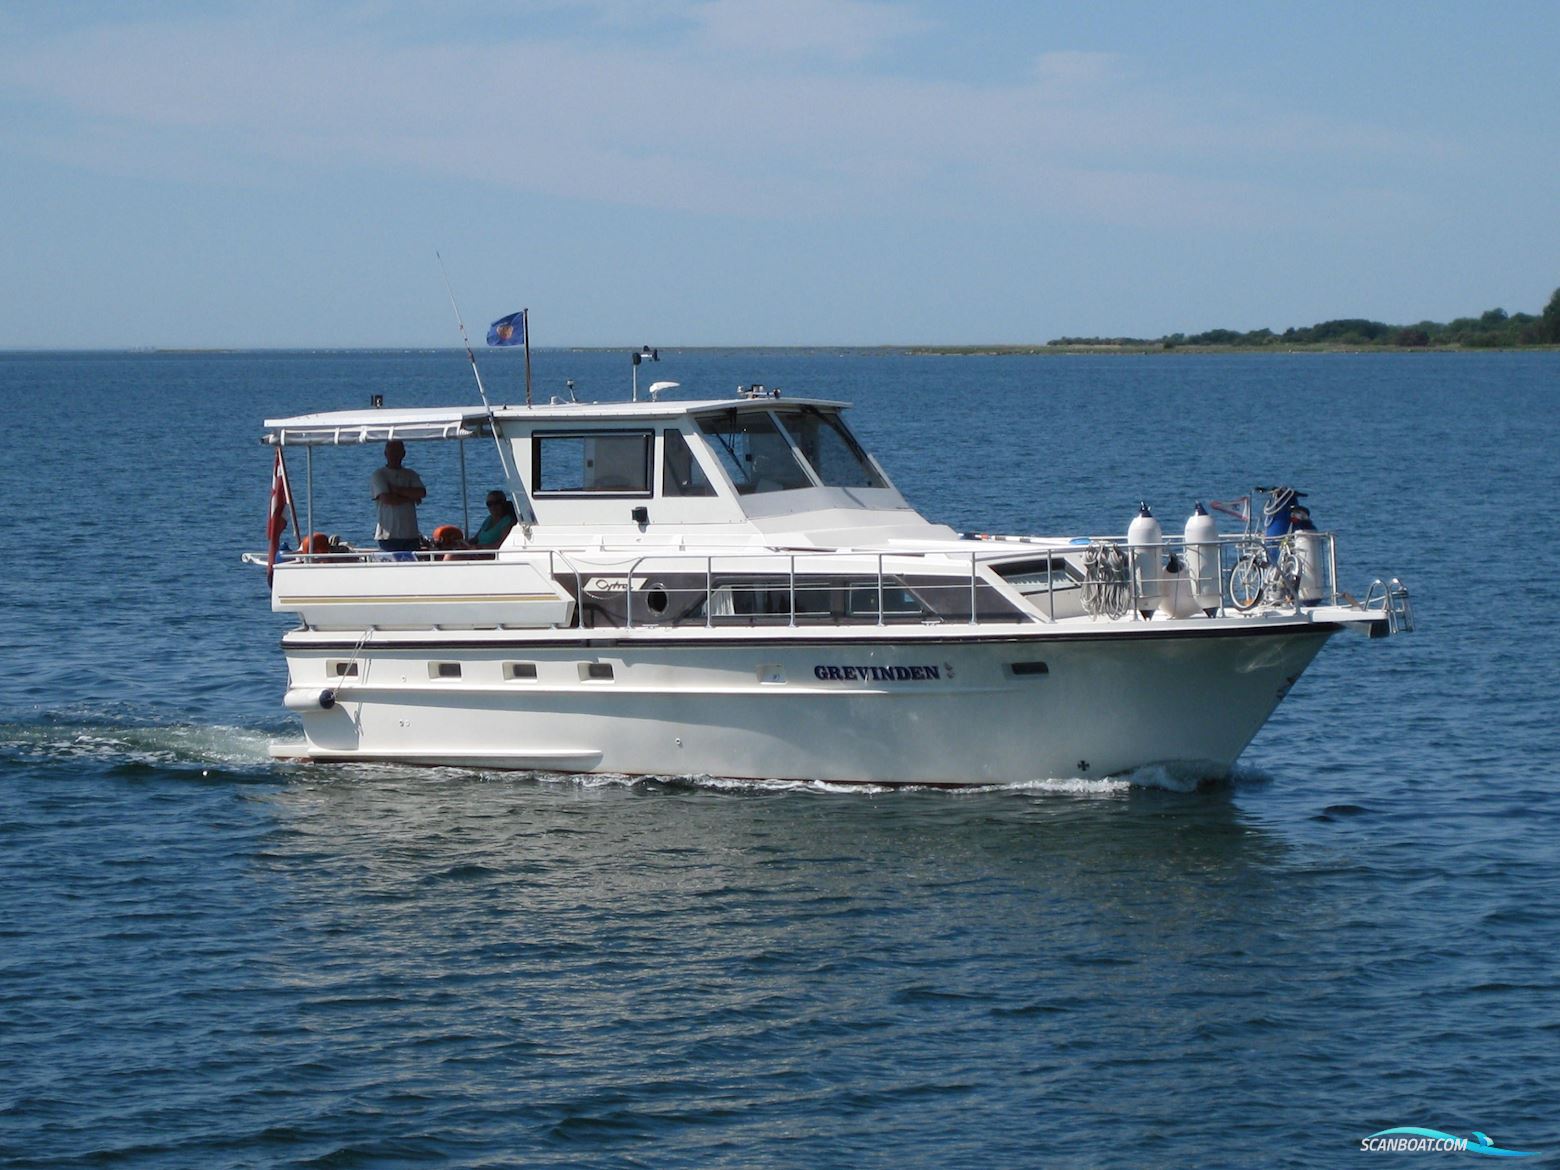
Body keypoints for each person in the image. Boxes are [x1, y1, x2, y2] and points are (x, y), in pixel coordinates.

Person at [370, 439, 426, 552]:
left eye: (397, 452)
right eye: (392, 452)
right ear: (385, 454)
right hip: (388, 536)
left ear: (403, 454)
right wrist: (411, 497)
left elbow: (421, 492)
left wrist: (396, 490)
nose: (394, 455)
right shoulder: (379, 475)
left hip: (411, 535)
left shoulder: (410, 474)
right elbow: (387, 499)